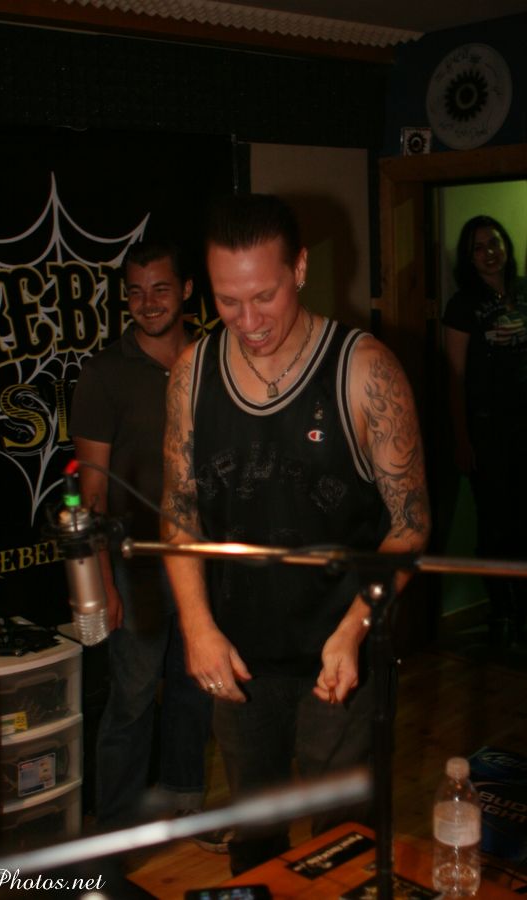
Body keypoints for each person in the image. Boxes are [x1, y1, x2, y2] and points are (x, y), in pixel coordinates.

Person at [160, 193, 430, 874]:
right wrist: (196, 625)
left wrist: (354, 630)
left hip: (341, 649)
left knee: (342, 844)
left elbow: (410, 528)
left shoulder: (366, 371)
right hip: (239, 653)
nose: (249, 322)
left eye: (265, 296)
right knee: (254, 838)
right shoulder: (193, 372)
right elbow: (179, 508)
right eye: (228, 301)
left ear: (301, 269)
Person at [70, 236, 229, 850]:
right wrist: (102, 581)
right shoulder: (104, 374)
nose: (148, 302)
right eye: (135, 291)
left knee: (196, 684)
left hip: (203, 555)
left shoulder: (216, 358)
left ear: (187, 289)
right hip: (134, 562)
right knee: (133, 697)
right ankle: (114, 832)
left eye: (161, 288)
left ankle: (186, 808)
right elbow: (91, 490)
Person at [443, 214, 527, 647]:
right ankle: (503, 612)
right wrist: (462, 438)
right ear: (469, 257)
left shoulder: (524, 291)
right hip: (488, 431)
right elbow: (455, 378)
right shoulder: (462, 305)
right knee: (497, 522)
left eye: (494, 242)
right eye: (479, 247)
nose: (489, 252)